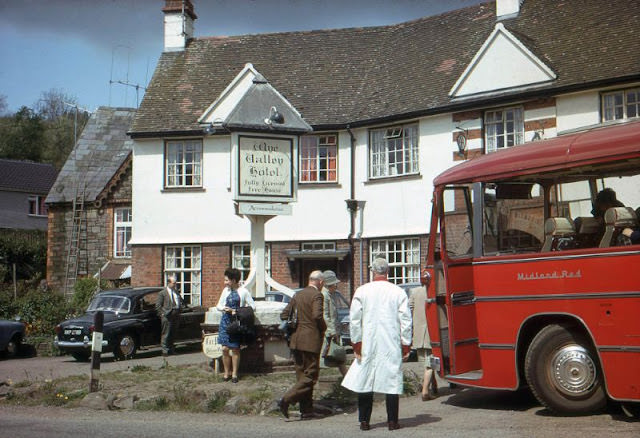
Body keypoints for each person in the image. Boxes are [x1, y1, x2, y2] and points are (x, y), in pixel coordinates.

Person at [341, 258, 412, 431]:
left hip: (368, 340)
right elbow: (405, 320)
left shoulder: (362, 291)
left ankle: (364, 421)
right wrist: (406, 343)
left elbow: (355, 319)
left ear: (373, 271)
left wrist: (356, 342)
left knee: (365, 378)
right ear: (387, 271)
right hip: (390, 341)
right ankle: (392, 421)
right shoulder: (398, 292)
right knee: (392, 380)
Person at [277, 270, 326, 419]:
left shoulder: (297, 294)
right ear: (320, 282)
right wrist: (323, 328)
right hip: (310, 340)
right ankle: (286, 399)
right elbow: (317, 315)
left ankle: (306, 411)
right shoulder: (317, 295)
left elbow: (284, 315)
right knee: (310, 376)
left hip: (296, 341)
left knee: (302, 376)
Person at [215, 267, 255, 383]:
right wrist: (224, 308)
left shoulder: (244, 292)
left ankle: (235, 374)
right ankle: (226, 373)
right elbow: (218, 305)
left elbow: (252, 306)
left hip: (236, 322)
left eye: (227, 280)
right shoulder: (225, 291)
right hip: (225, 321)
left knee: (235, 349)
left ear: (233, 280)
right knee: (224, 348)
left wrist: (238, 311)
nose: (225, 282)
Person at [409, 269, 438, 401]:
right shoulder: (435, 292)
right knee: (431, 363)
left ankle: (434, 386)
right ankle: (425, 391)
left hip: (419, 333)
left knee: (425, 362)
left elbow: (410, 310)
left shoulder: (414, 292)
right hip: (432, 333)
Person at [320, 270, 347, 376]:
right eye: (333, 284)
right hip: (328, 332)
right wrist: (332, 331)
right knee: (325, 356)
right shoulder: (324, 295)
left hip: (334, 330)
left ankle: (346, 380)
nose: (336, 285)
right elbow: (325, 315)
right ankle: (317, 381)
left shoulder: (333, 294)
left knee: (339, 355)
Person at [156, 274, 182, 357]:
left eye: (175, 283)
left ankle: (171, 349)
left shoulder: (176, 292)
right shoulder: (162, 293)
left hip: (176, 314)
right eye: (173, 283)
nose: (175, 285)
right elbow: (158, 305)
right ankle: (164, 350)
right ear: (169, 283)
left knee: (173, 333)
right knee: (166, 333)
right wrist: (162, 314)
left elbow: (179, 301)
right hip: (167, 315)